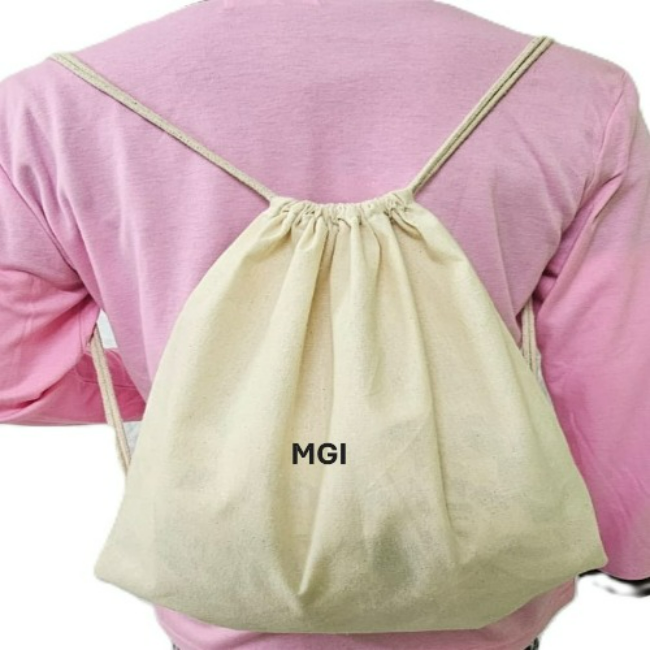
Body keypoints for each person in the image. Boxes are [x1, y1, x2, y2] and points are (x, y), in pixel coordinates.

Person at [0, 1, 648, 649]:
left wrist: (191, 397)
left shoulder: (47, 108)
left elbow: (14, 369)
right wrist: (630, 552)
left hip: (227, 582)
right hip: (482, 582)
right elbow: (613, 368)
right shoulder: (583, 95)